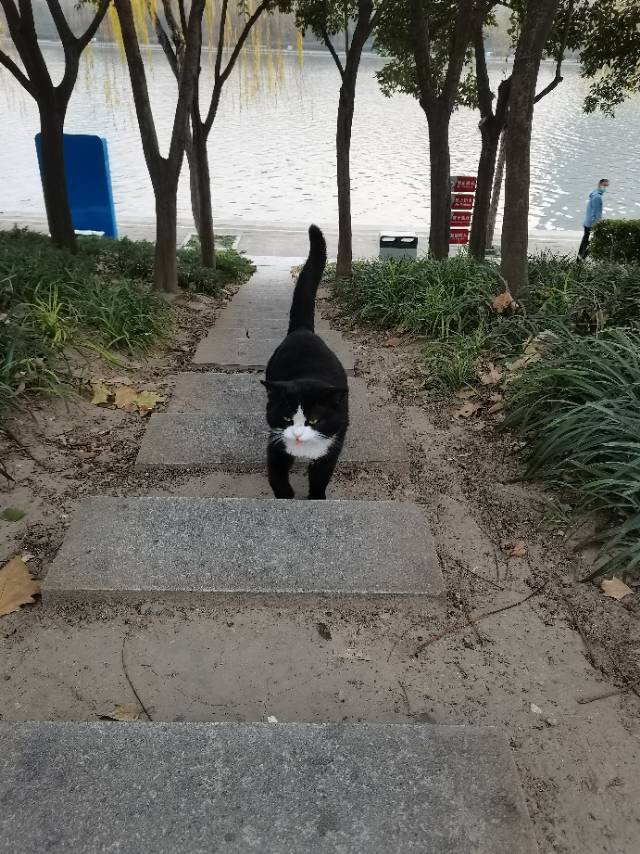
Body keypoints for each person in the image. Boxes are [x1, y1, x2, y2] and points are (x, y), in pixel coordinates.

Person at [578, 178, 609, 259]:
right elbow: (596, 213)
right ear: (600, 184)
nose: (605, 188)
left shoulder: (594, 193)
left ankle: (580, 257)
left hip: (587, 221)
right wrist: (598, 224)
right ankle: (583, 257)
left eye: (607, 186)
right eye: (604, 185)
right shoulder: (597, 197)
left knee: (585, 240)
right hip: (591, 223)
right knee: (593, 241)